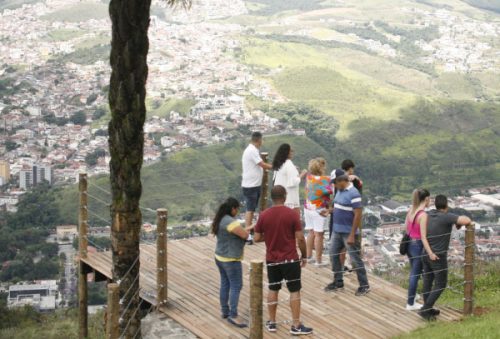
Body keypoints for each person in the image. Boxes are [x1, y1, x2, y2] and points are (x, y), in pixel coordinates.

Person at [254, 185, 313, 336]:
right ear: (285, 196)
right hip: (290, 259)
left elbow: (257, 237)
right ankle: (296, 325)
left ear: (272, 198)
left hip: (272, 259)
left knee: (273, 289)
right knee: (294, 291)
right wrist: (304, 255)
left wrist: (271, 236)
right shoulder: (292, 214)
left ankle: (272, 322)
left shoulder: (264, 215)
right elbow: (300, 238)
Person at [419, 195, 472, 321]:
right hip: (437, 256)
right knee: (441, 284)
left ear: (435, 204)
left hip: (425, 253)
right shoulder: (447, 217)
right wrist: (456, 221)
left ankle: (428, 308)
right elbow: (466, 220)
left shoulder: (429, 214)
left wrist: (454, 222)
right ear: (446, 205)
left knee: (428, 282)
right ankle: (425, 310)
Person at [325, 173, 370, 296]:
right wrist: (330, 211)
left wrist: (351, 234)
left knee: (355, 259)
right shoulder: (340, 191)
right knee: (333, 255)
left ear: (341, 181)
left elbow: (358, 215)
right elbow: (339, 206)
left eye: (335, 183)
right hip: (337, 230)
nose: (334, 185)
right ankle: (338, 281)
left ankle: (364, 285)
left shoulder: (354, 194)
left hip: (348, 232)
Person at [212, 198, 254, 327]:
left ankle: (225, 311)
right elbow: (245, 236)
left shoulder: (220, 219)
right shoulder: (231, 222)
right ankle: (233, 315)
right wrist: (252, 230)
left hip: (219, 257)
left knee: (225, 284)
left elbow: (239, 231)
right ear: (233, 209)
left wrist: (249, 227)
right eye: (237, 209)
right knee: (236, 286)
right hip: (230, 260)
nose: (237, 212)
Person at [241, 132, 273, 243]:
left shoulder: (252, 150)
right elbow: (262, 164)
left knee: (252, 208)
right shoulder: (252, 150)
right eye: (262, 140)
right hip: (251, 185)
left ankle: (249, 231)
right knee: (250, 209)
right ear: (259, 140)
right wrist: (275, 167)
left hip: (253, 184)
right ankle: (247, 234)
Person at [404, 188, 430, 311]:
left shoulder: (411, 210)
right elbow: (424, 237)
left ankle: (412, 297)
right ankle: (410, 303)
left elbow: (406, 228)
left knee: (414, 271)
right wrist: (430, 252)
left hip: (409, 244)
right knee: (415, 273)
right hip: (418, 245)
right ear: (426, 199)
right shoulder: (423, 215)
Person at [304, 158, 332, 267]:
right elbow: (332, 190)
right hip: (319, 210)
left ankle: (308, 256)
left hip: (308, 208)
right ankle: (318, 261)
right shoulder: (325, 179)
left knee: (311, 232)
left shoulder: (308, 178)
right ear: (320, 168)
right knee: (319, 235)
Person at [272, 143, 307, 216]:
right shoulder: (288, 164)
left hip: (280, 197)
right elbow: (293, 182)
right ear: (286, 152)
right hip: (290, 198)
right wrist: (302, 174)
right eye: (291, 151)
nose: (292, 152)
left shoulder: (279, 164)